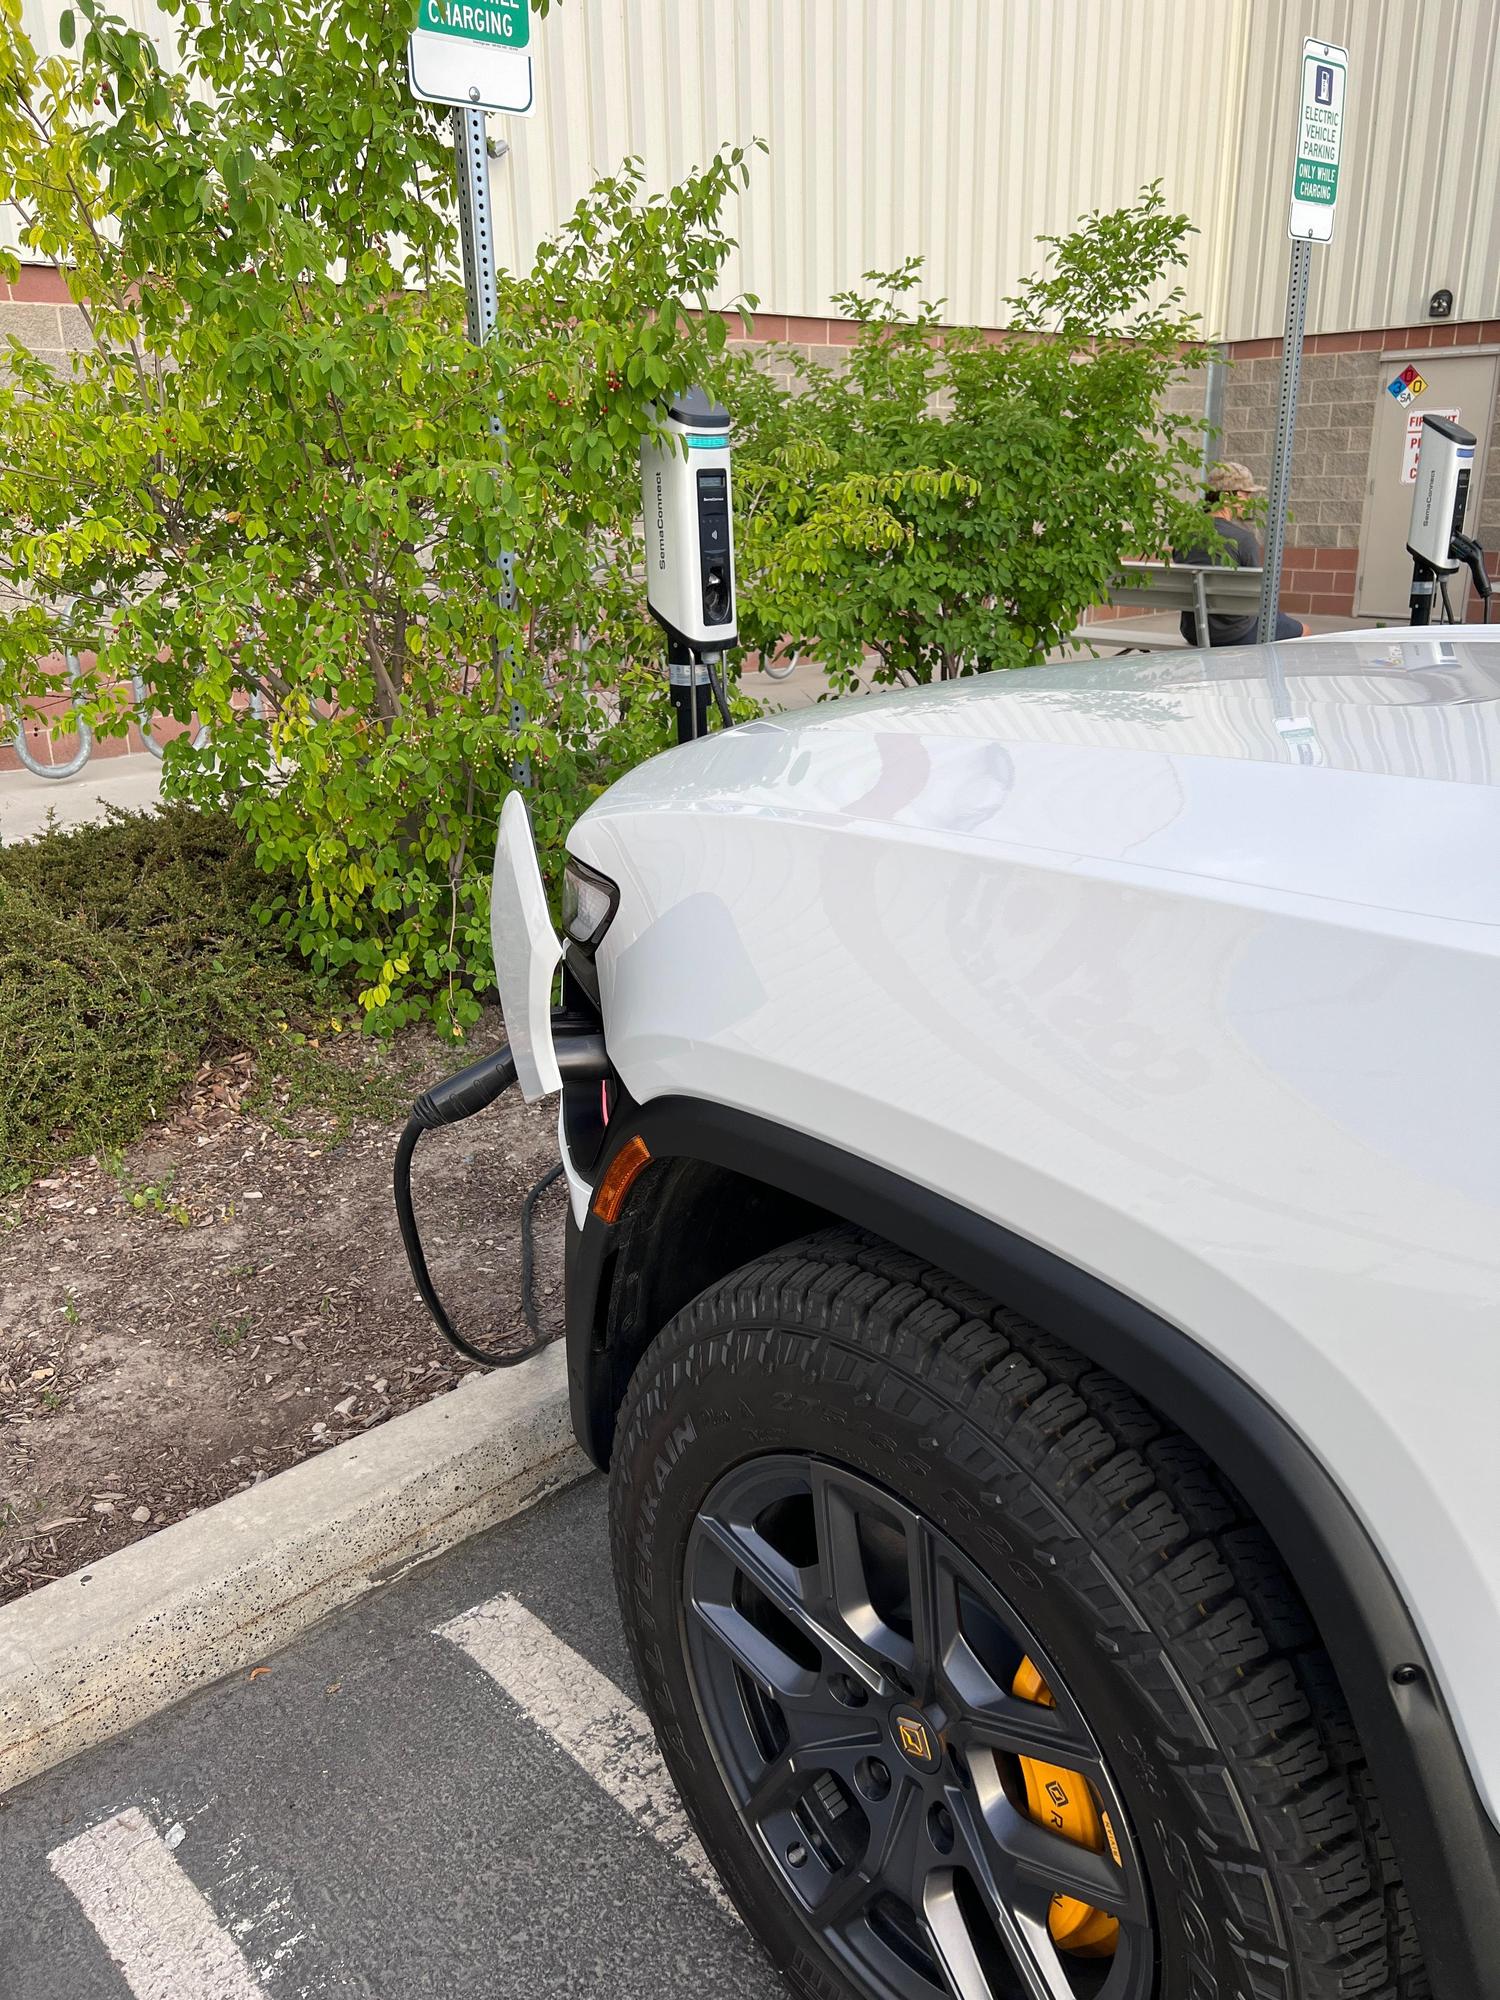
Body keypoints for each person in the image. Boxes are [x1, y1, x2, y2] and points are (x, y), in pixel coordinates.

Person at [1174, 461, 1309, 646]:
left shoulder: (1184, 536)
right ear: (1228, 496)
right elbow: (1257, 598)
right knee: (1304, 631)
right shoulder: (1243, 540)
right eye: (1246, 494)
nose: (1249, 500)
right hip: (1236, 633)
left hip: (1193, 631)